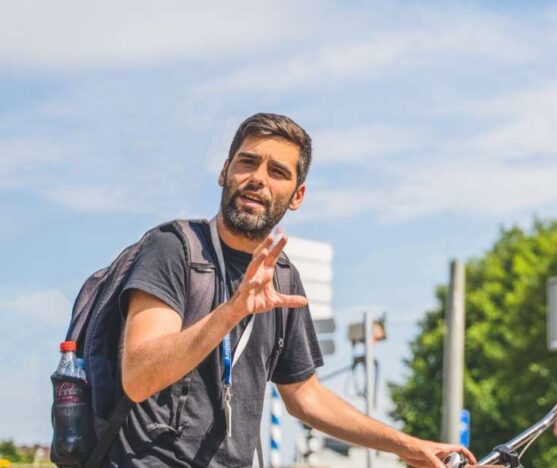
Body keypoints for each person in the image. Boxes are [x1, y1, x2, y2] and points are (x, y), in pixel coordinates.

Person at [113, 113, 475, 467]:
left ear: (297, 195)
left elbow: (305, 395)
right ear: (225, 172)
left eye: (278, 172)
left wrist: (406, 446)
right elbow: (138, 377)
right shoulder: (176, 249)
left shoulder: (283, 277)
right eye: (248, 162)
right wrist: (232, 311)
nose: (258, 179)